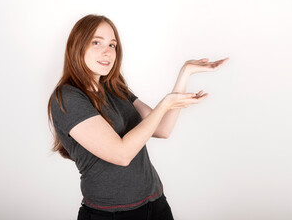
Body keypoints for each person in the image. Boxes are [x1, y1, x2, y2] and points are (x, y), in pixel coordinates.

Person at [47, 14, 228, 220]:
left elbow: (162, 129)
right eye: (96, 42)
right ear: (77, 46)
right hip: (111, 214)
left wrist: (185, 73)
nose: (107, 52)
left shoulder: (115, 88)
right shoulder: (68, 98)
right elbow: (121, 154)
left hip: (155, 204)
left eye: (112, 45)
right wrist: (165, 104)